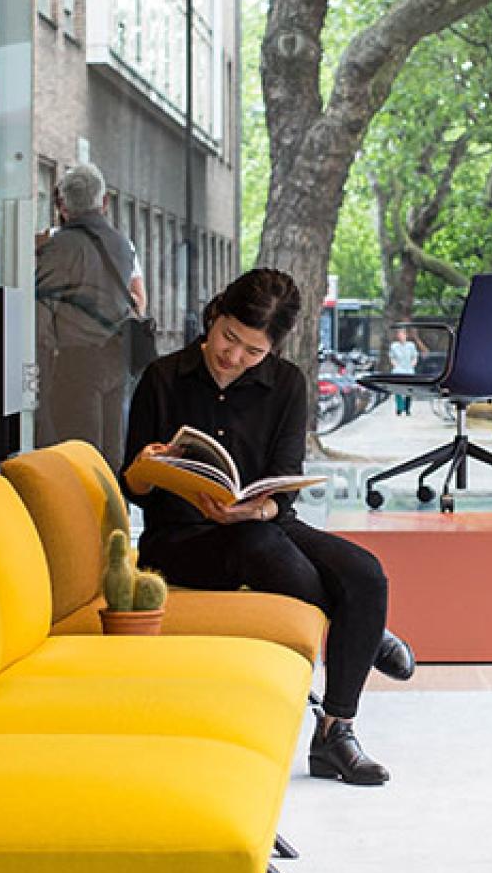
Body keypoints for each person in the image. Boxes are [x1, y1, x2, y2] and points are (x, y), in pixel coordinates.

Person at [122, 269, 417, 786]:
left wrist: (255, 509)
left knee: (365, 572)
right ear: (215, 316)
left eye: (253, 350)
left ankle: (335, 734)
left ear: (272, 349)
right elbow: (133, 487)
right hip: (179, 540)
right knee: (261, 547)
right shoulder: (162, 378)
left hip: (261, 524)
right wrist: (147, 466)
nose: (233, 355)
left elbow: (283, 484)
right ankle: (362, 632)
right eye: (229, 337)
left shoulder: (286, 384)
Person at [34, 162, 146, 474]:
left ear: (62, 204)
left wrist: (37, 364)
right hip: (116, 358)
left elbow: (41, 311)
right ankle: (111, 502)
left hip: (76, 362)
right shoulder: (121, 244)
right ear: (104, 201)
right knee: (110, 454)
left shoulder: (62, 246)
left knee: (79, 456)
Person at [387, 326, 420, 416]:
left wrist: (412, 365)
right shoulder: (394, 345)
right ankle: (399, 408)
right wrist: (396, 365)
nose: (400, 336)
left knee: (409, 390)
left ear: (406, 335)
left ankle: (407, 408)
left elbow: (414, 357)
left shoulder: (411, 345)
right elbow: (392, 358)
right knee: (398, 389)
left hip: (409, 370)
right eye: (399, 334)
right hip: (398, 370)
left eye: (402, 334)